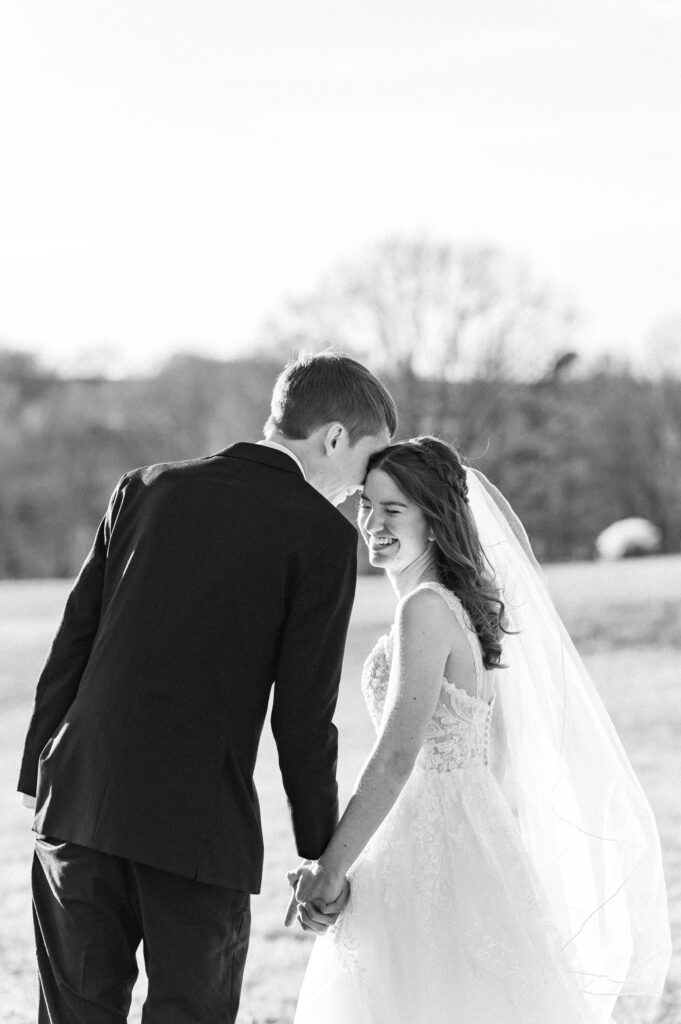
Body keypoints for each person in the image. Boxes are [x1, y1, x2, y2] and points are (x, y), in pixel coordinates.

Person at [17, 351, 397, 1024]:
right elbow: (303, 719)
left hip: (75, 805)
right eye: (368, 462)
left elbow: (73, 642)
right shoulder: (320, 536)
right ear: (334, 438)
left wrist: (37, 775)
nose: (361, 488)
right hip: (196, 833)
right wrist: (320, 853)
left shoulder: (145, 487)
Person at [288, 436, 671, 1024]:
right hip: (467, 832)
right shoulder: (454, 608)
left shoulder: (424, 609)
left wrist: (331, 868)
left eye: (394, 510)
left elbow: (396, 757)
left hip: (431, 837)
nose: (372, 522)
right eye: (367, 504)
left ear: (436, 522)